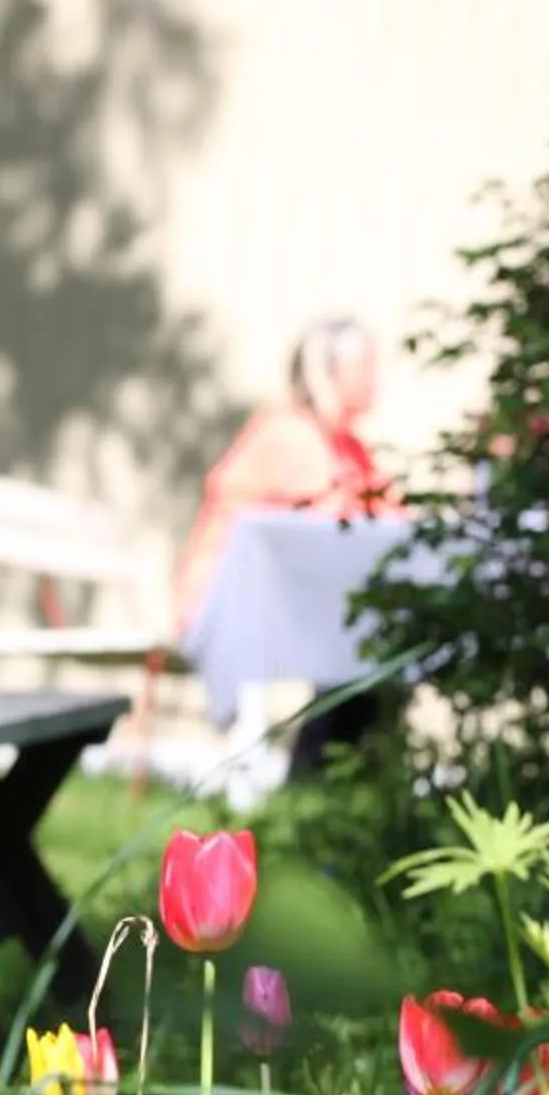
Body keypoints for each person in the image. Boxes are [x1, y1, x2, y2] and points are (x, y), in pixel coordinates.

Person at [171, 317, 404, 780]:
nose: (377, 379)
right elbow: (343, 525)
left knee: (368, 640)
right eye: (366, 367)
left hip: (288, 608)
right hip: (226, 607)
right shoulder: (290, 434)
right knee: (360, 644)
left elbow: (391, 518)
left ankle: (337, 780)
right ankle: (318, 778)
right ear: (329, 373)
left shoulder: (346, 445)